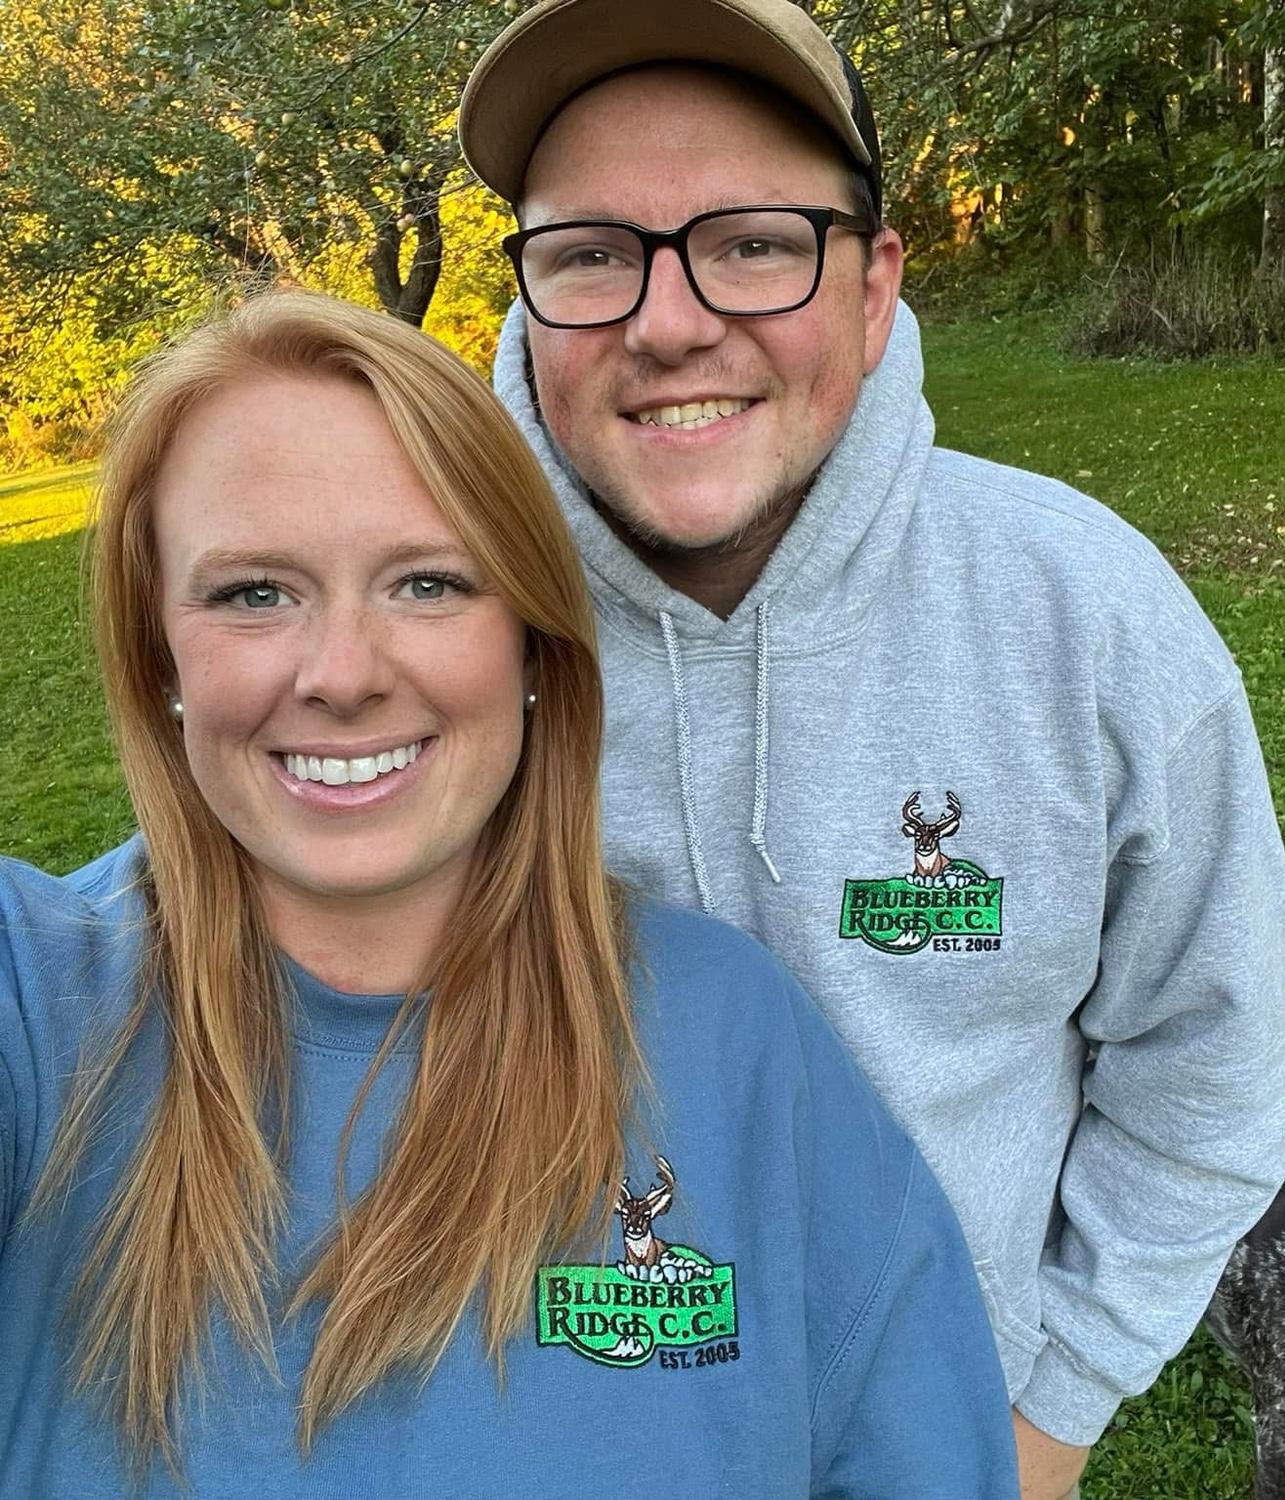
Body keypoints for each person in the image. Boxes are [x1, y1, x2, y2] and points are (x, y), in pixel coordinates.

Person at [456, 3, 1285, 1496]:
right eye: (591, 252)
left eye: (754, 243)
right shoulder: (421, 636)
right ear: (526, 300)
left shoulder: (1091, 622)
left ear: (872, 284)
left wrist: (1043, 1426)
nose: (668, 321)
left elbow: (1208, 1065)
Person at [0, 292, 1020, 1498]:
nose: (342, 674)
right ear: (159, 655)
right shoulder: (39, 1007)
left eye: (430, 583)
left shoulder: (738, 1040)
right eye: (253, 594)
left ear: (532, 645)